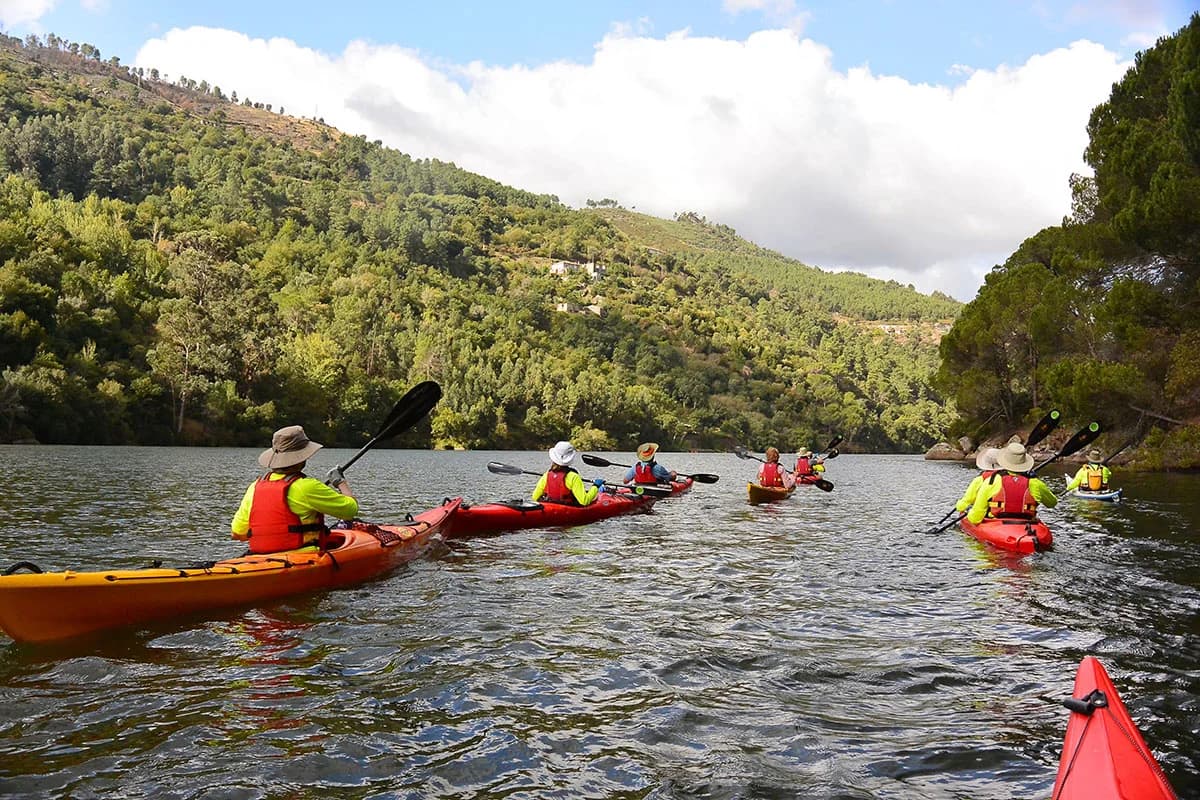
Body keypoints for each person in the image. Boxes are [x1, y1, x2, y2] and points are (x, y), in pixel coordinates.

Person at [231, 425, 359, 554]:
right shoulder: (308, 486)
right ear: (301, 458)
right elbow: (350, 510)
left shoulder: (254, 487)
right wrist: (340, 482)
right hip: (302, 557)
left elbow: (238, 533)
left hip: (261, 558)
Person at [966, 441, 1058, 524]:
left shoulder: (992, 481)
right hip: (1028, 524)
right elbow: (1052, 503)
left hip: (997, 524)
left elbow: (975, 518)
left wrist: (968, 516)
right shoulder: (1036, 483)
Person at [531, 441, 602, 505]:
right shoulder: (573, 477)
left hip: (551, 507)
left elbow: (534, 497)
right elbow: (584, 501)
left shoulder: (546, 475)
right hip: (568, 509)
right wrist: (595, 486)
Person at [955, 447, 1001, 512]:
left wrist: (959, 506)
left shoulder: (980, 480)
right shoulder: (1009, 478)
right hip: (1007, 512)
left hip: (987, 514)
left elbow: (966, 501)